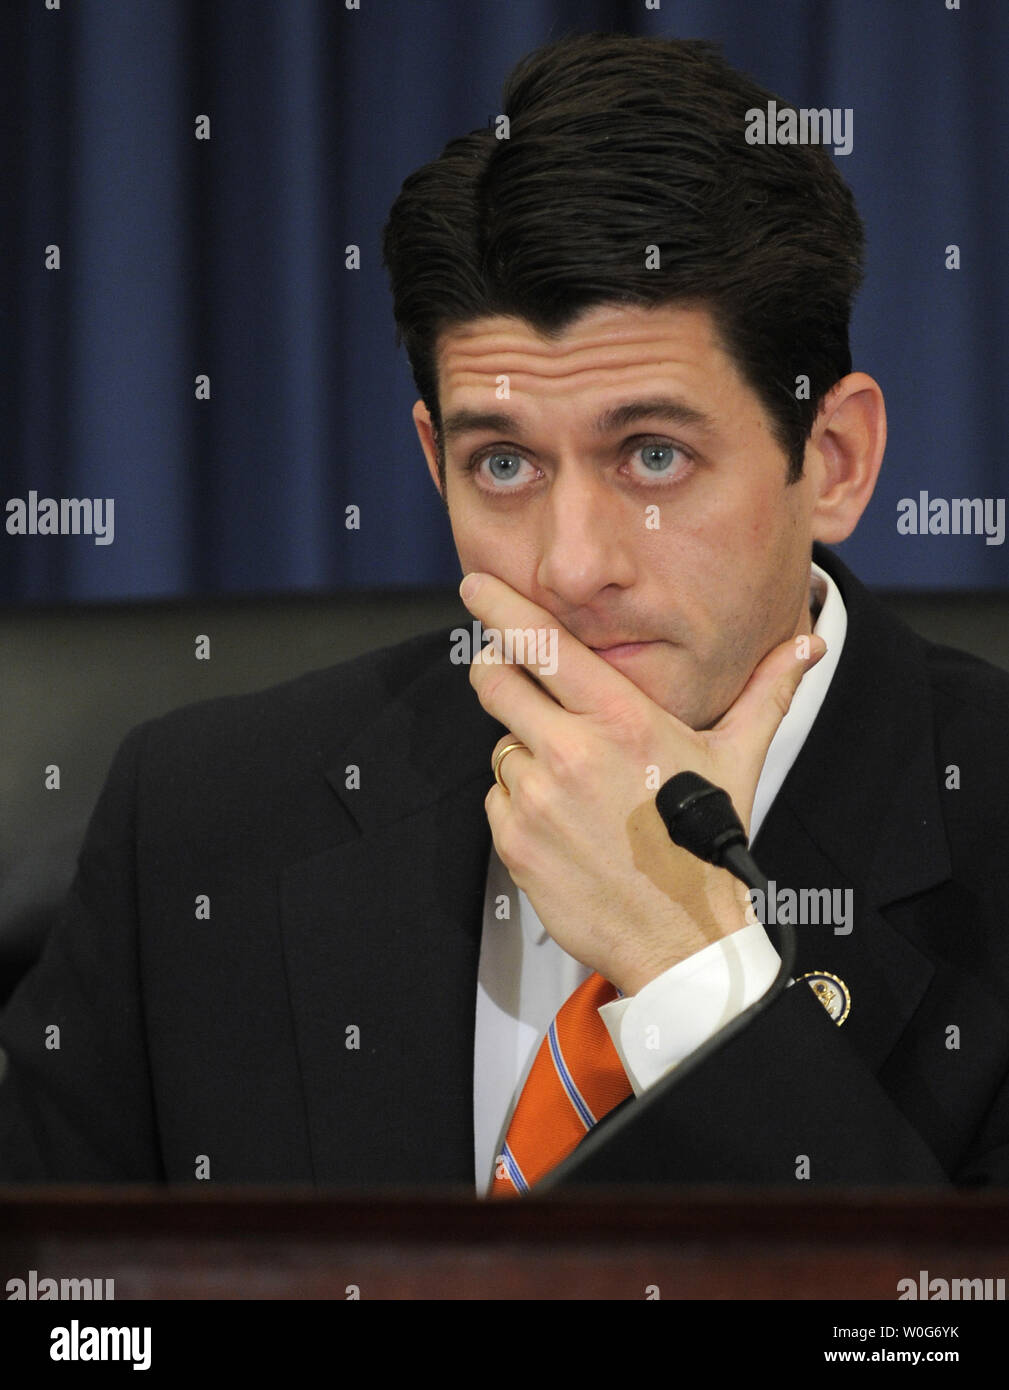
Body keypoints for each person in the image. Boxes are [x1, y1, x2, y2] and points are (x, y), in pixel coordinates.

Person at [1, 32, 1007, 1193]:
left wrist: (690, 973)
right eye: (504, 466)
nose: (574, 567)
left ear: (831, 458)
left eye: (653, 454)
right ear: (434, 460)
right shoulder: (199, 822)